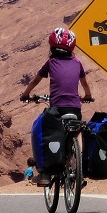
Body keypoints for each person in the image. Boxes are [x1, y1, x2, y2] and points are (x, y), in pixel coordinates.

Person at [21, 27, 94, 185]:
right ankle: (79, 166)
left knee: (49, 132)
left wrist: (25, 94)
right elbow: (85, 84)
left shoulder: (51, 62)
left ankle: (45, 174)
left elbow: (35, 81)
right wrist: (87, 96)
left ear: (52, 46)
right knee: (78, 131)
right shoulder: (77, 63)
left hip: (57, 108)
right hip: (75, 108)